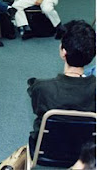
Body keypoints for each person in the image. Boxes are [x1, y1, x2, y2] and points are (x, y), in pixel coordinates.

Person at [27, 20, 96, 155]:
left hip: (47, 151)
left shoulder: (42, 88)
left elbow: (37, 109)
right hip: (87, 153)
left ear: (63, 53)